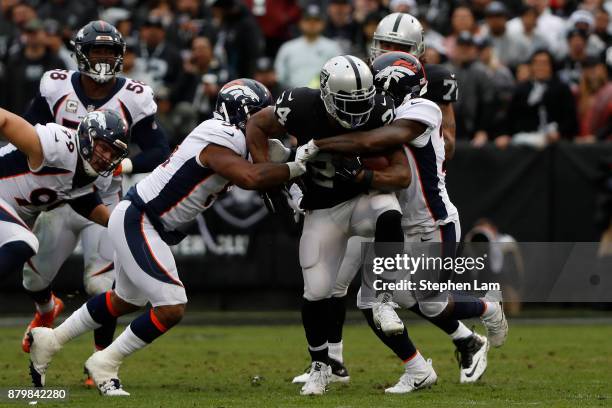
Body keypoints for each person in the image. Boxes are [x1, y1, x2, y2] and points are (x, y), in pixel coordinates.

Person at [27, 78, 309, 396]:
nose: (266, 124)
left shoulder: (241, 139)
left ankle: (51, 341)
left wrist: (305, 158)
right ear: (242, 112)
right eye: (260, 115)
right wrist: (299, 165)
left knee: (125, 300)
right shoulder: (221, 134)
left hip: (145, 221)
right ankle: (105, 362)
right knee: (172, 305)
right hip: (140, 218)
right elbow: (250, 176)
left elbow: (284, 158)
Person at [295, 52, 509, 391]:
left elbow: (374, 140)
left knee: (428, 301)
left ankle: (486, 306)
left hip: (432, 222)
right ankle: (417, 369)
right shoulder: (389, 109)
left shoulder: (424, 109)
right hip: (402, 222)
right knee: (376, 299)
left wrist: (319, 144)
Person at [246, 55, 418, 395]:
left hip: (360, 198)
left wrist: (362, 174)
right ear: (325, 95)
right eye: (345, 104)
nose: (355, 113)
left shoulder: (380, 109)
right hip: (322, 208)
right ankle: (321, 366)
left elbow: (402, 174)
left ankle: (383, 295)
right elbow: (256, 125)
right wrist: (271, 178)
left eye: (361, 103)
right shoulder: (298, 105)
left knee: (388, 211)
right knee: (317, 291)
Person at [20, 21, 170, 371]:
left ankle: (99, 356)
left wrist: (125, 166)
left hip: (101, 202)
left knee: (100, 283)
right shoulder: (56, 87)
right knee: (34, 278)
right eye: (96, 51)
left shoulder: (134, 95)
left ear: (120, 57)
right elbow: (28, 134)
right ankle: (46, 309)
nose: (102, 58)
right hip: (58, 199)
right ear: (80, 54)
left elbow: (158, 149)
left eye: (109, 52)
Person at [0, 108, 127, 281]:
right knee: (22, 242)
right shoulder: (59, 147)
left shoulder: (92, 178)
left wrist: (131, 224)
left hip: (6, 213)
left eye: (113, 154)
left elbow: (83, 200)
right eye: (104, 147)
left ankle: (50, 307)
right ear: (86, 136)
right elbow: (5, 119)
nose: (106, 157)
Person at [274, 4, 343, 89]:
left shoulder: (333, 47)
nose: (312, 24)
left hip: (322, 96)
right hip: (293, 96)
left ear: (323, 24)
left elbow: (339, 74)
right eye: (308, 20)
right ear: (300, 23)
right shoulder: (287, 48)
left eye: (316, 20)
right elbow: (280, 77)